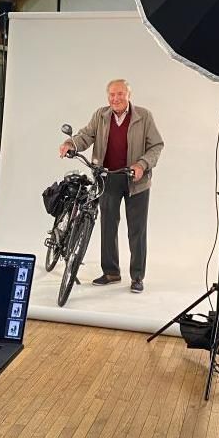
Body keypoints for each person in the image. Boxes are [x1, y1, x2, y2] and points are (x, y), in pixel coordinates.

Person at [59, 79, 164, 293]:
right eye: (112, 94)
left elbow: (156, 145)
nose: (115, 98)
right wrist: (71, 144)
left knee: (137, 230)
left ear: (128, 95)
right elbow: (86, 135)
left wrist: (142, 165)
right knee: (107, 226)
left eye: (120, 94)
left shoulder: (144, 116)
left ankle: (137, 277)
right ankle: (111, 272)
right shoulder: (101, 115)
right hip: (107, 177)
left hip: (136, 180)